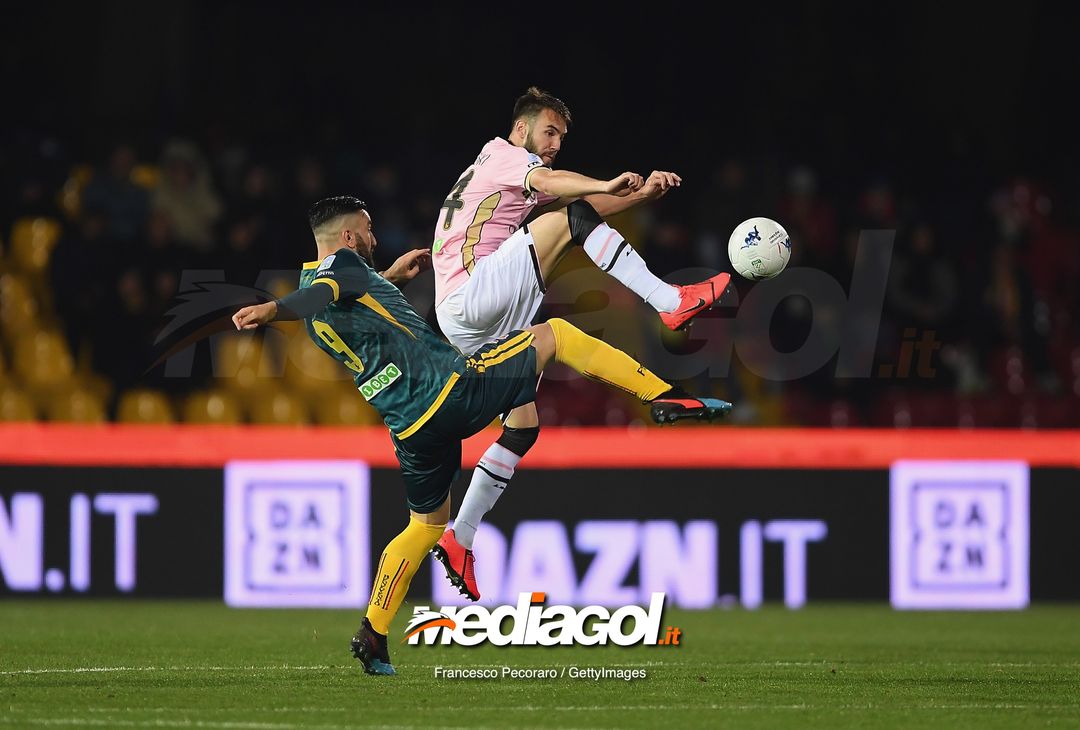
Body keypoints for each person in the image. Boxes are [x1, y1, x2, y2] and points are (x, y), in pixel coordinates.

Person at [232, 196, 730, 676]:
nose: (373, 236)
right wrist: (272, 311)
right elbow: (315, 296)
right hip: (447, 389)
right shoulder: (335, 271)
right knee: (555, 334)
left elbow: (328, 298)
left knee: (426, 525)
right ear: (346, 236)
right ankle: (661, 395)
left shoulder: (330, 282)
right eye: (366, 229)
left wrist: (386, 279)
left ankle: (374, 631)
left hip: (408, 426)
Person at [430, 87, 732, 600]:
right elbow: (562, 190)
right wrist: (606, 181)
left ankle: (460, 536)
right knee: (568, 226)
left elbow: (583, 202)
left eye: (562, 138)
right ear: (522, 128)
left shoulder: (508, 172)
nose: (555, 144)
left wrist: (639, 194)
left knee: (522, 428)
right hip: (471, 294)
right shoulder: (506, 155)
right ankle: (667, 299)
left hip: (475, 314)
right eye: (550, 132)